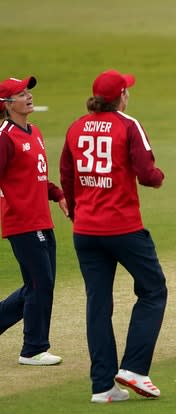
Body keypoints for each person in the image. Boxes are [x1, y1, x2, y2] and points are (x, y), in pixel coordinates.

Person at [60, 69, 168, 402]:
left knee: (98, 304)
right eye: (127, 92)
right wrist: (159, 176)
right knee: (153, 290)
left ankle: (102, 387)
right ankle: (134, 368)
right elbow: (147, 174)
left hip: (86, 230)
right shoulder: (127, 124)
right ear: (120, 96)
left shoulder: (76, 126)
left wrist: (78, 211)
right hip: (122, 227)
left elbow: (67, 174)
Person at [0, 76, 67, 366]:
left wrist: (56, 193)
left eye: (28, 92)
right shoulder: (4, 137)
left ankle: (33, 345)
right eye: (20, 93)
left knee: (38, 284)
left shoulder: (34, 131)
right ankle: (33, 349)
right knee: (41, 283)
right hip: (22, 222)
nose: (28, 97)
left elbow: (35, 176)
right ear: (6, 104)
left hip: (42, 218)